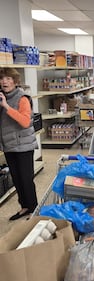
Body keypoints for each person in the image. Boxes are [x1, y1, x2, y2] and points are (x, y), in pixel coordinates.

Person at [0, 68, 38, 220]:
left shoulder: (22, 98)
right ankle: (25, 207)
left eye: (8, 79)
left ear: (15, 81)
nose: (4, 82)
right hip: (9, 145)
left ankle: (34, 209)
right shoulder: (2, 97)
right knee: (16, 179)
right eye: (2, 79)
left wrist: (7, 107)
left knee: (26, 179)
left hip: (23, 145)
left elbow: (24, 121)